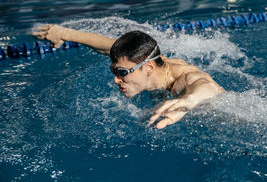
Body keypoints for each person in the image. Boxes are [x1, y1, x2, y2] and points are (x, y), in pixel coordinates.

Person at [33, 25, 225, 129]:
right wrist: (64, 33)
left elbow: (206, 86)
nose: (116, 80)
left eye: (122, 73)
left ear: (148, 67)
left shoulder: (181, 80)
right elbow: (107, 46)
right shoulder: (150, 59)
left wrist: (188, 101)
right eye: (114, 72)